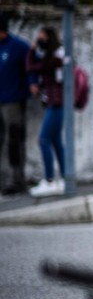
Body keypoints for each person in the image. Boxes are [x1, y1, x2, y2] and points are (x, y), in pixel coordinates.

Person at [26, 26, 66, 197]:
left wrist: (32, 49)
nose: (39, 39)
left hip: (57, 103)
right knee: (55, 141)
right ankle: (65, 178)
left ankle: (50, 180)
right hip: (55, 102)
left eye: (41, 37)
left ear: (49, 38)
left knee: (44, 139)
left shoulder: (55, 56)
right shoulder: (54, 55)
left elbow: (31, 66)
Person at [0, 12, 31, 196]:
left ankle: (16, 180)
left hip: (13, 102)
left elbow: (31, 70)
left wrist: (28, 89)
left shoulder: (18, 47)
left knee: (14, 141)